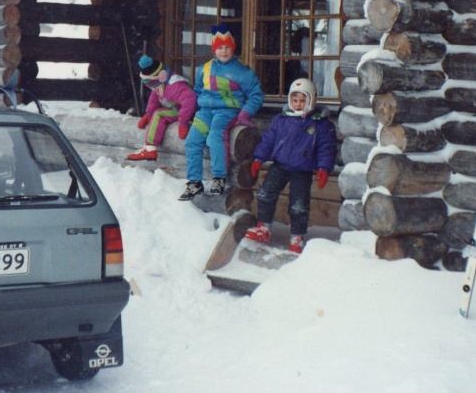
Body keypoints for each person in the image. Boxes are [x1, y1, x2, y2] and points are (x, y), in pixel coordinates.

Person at [245, 78, 337, 254]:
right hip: (279, 165)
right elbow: (268, 140)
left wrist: (324, 168)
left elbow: (327, 148)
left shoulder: (321, 124)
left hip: (302, 170)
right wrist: (258, 158)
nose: (298, 104)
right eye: (295, 100)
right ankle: (263, 227)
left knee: (298, 205)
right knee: (265, 194)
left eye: (303, 100)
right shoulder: (281, 119)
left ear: (311, 101)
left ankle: (297, 236)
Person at [179, 24, 263, 201]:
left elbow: (256, 95)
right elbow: (197, 91)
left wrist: (245, 113)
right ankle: (194, 182)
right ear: (214, 49)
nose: (224, 51)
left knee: (214, 137)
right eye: (220, 48)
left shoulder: (242, 72)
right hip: (204, 112)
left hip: (226, 112)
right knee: (193, 141)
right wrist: (187, 112)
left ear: (232, 48)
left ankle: (219, 178)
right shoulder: (205, 69)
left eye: (227, 47)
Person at [127, 55, 196, 161]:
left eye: (151, 83)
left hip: (189, 113)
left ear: (159, 76)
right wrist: (148, 115)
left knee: (159, 114)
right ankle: (148, 149)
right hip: (176, 110)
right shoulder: (160, 86)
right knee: (156, 112)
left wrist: (183, 122)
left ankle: (150, 149)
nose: (151, 87)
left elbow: (190, 101)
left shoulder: (175, 85)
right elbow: (153, 101)